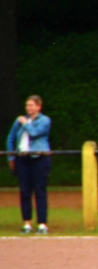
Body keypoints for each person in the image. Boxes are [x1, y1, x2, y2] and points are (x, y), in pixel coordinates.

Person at [7, 95, 52, 235]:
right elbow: (11, 137)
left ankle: (42, 224)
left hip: (39, 158)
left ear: (39, 106)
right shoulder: (19, 121)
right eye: (27, 105)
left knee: (40, 190)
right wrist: (11, 157)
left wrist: (26, 123)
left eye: (31, 105)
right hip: (23, 158)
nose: (28, 108)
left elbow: (35, 133)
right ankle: (27, 223)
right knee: (25, 191)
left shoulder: (44, 120)